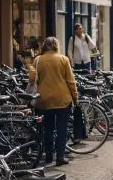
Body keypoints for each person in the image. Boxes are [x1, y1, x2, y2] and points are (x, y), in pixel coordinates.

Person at [30, 37, 78, 166]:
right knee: (62, 129)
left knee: (48, 129)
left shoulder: (37, 60)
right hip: (63, 99)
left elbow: (31, 80)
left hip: (44, 100)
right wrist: (75, 98)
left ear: (44, 46)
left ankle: (49, 156)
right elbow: (71, 81)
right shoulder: (63, 59)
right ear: (56, 46)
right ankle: (60, 157)